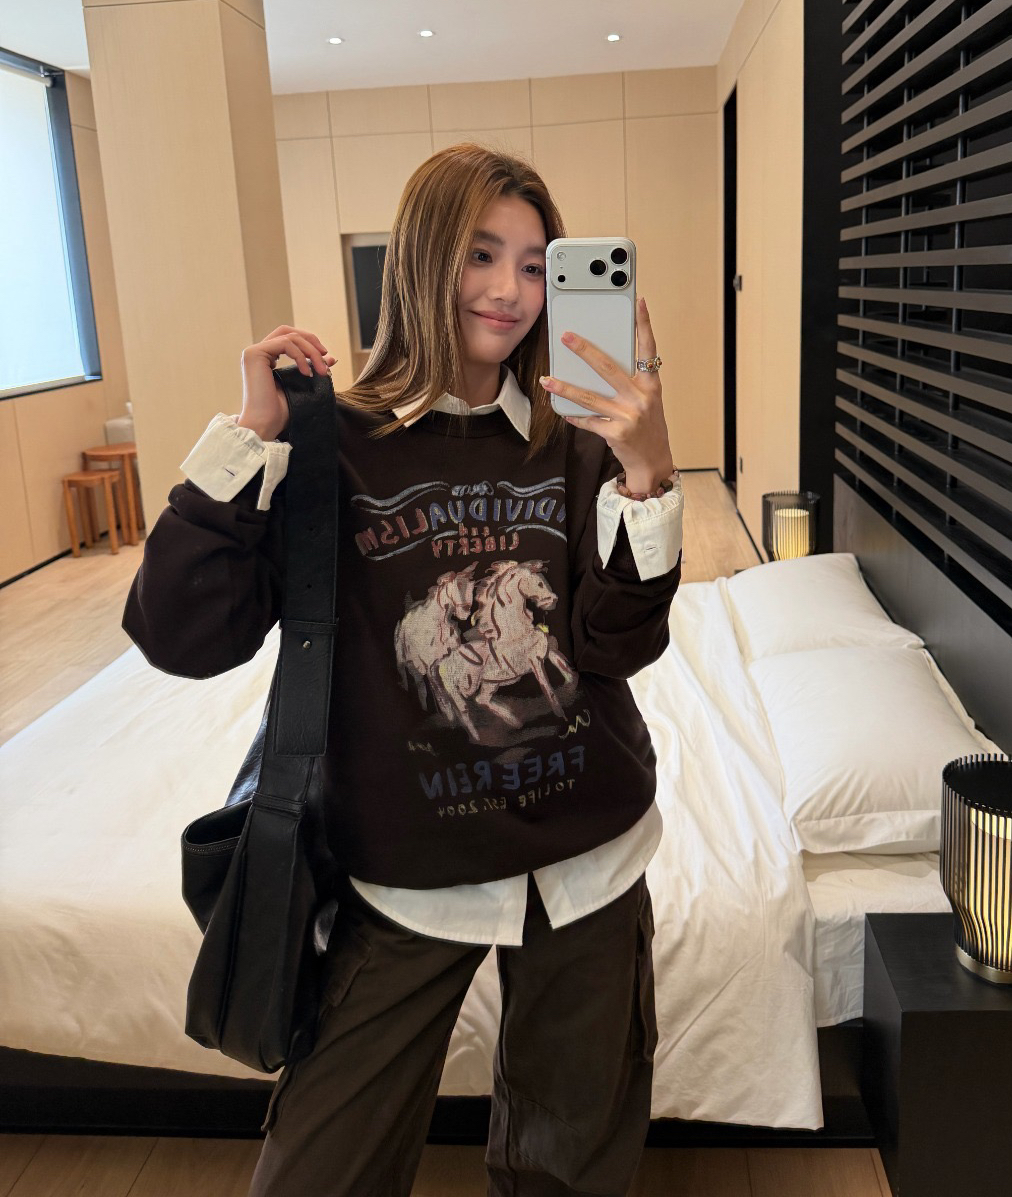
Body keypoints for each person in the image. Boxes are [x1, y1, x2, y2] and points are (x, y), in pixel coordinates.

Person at [124, 143, 683, 1197]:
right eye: (482, 254)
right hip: (407, 870)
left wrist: (648, 473)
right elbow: (179, 636)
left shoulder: (577, 441)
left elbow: (618, 646)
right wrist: (249, 436)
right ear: (424, 258)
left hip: (589, 860)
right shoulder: (329, 443)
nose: (510, 290)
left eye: (536, 264)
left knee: (570, 1172)